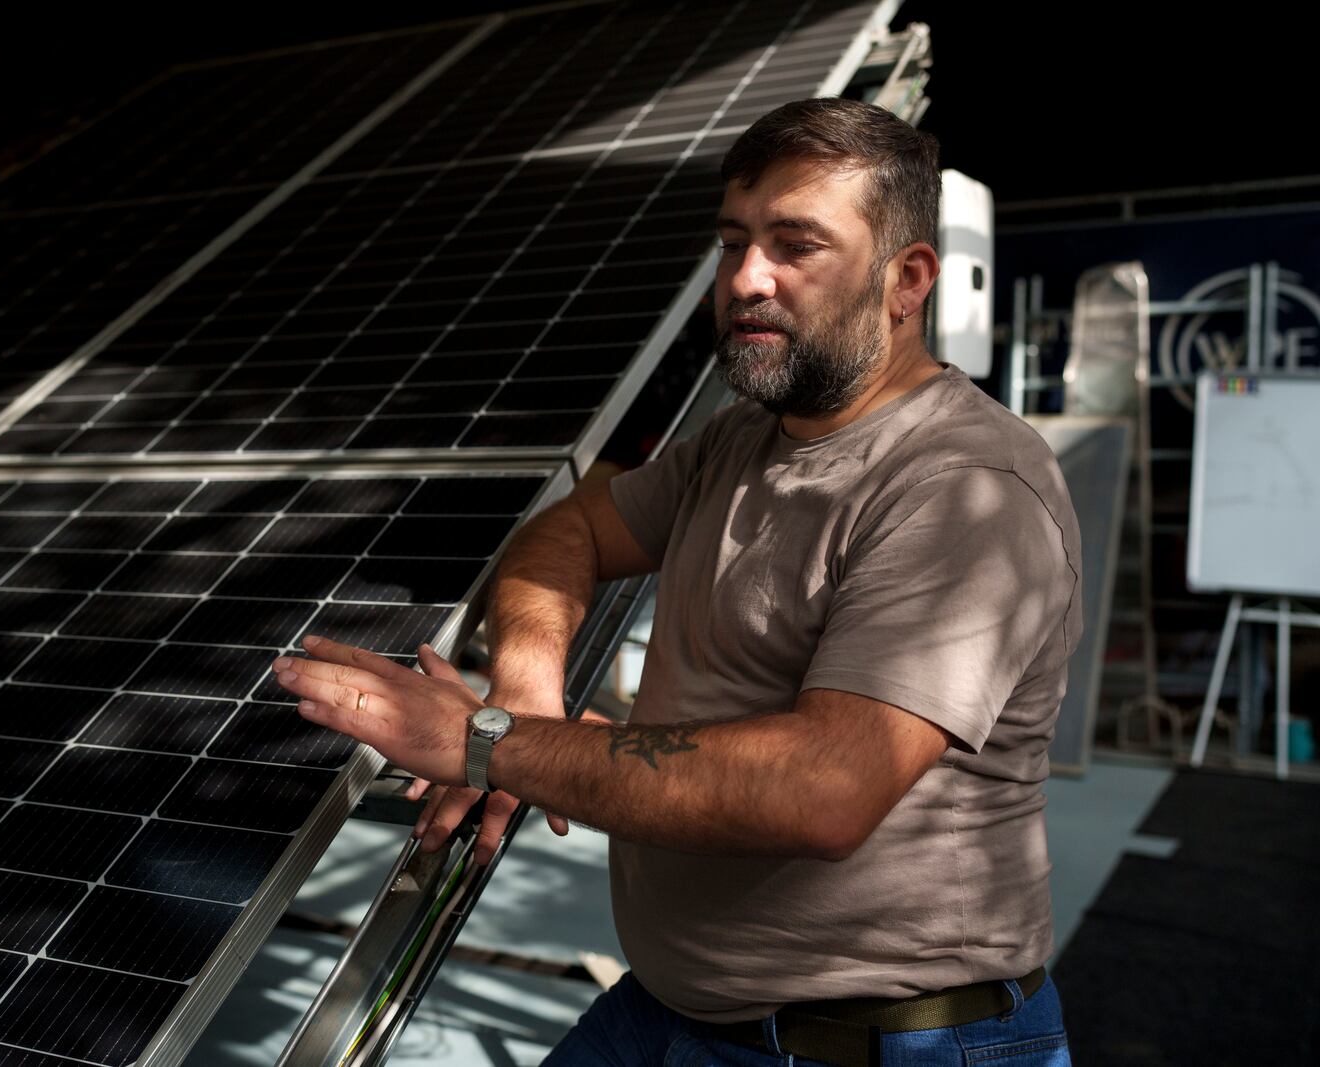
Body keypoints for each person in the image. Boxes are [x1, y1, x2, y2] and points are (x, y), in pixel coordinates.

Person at [273, 97, 1080, 1066]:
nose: (746, 278)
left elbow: (824, 788)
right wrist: (525, 685)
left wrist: (485, 744)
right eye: (733, 240)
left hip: (875, 1044)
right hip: (670, 1013)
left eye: (794, 245)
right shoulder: (736, 444)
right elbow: (561, 532)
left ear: (905, 279)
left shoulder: (963, 488)